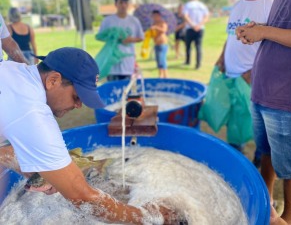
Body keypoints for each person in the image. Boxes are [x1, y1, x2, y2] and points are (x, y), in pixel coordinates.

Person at [0, 47, 177, 224]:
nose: (78, 106)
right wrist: (149, 216)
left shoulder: (12, 70)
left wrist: (24, 164)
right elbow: (81, 195)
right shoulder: (33, 114)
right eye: (76, 97)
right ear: (53, 80)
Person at [236, 0, 291, 223]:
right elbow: (283, 30)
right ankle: (265, 204)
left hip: (288, 96)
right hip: (263, 90)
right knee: (266, 153)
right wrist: (256, 31)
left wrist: (264, 32)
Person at [216, 0, 274, 167]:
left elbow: (276, 46)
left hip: (254, 80)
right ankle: (235, 162)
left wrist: (254, 71)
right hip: (232, 78)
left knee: (258, 127)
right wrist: (222, 57)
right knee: (236, 125)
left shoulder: (272, 5)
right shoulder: (237, 6)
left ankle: (259, 163)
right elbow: (230, 35)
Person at [98, 0, 144, 81]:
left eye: (125, 3)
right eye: (121, 3)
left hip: (127, 61)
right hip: (112, 62)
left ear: (128, 4)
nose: (123, 5)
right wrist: (112, 37)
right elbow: (100, 36)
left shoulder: (134, 21)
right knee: (112, 88)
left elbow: (141, 37)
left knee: (125, 89)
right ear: (116, 4)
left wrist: (130, 39)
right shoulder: (108, 21)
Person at [183, 0, 209, 69]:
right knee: (198, 46)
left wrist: (193, 25)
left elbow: (185, 16)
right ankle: (198, 64)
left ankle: (188, 61)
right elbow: (206, 17)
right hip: (200, 28)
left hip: (190, 28)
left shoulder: (188, 5)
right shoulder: (202, 5)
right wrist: (199, 25)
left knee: (188, 46)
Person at [151, 10, 169, 78]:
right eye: (153, 16)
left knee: (162, 59)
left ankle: (165, 75)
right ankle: (160, 74)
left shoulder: (163, 23)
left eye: (156, 16)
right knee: (158, 60)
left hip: (163, 44)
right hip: (156, 44)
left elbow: (164, 30)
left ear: (159, 16)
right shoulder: (153, 24)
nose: (154, 18)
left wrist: (156, 28)